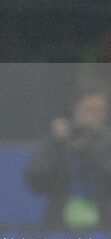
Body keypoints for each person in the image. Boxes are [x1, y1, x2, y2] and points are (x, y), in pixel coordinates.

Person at [25, 85, 111, 228]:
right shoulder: (58, 141)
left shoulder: (108, 143)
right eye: (87, 110)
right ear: (75, 109)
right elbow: (35, 180)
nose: (91, 117)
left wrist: (89, 148)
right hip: (60, 226)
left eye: (98, 111)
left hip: (104, 227)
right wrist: (56, 146)